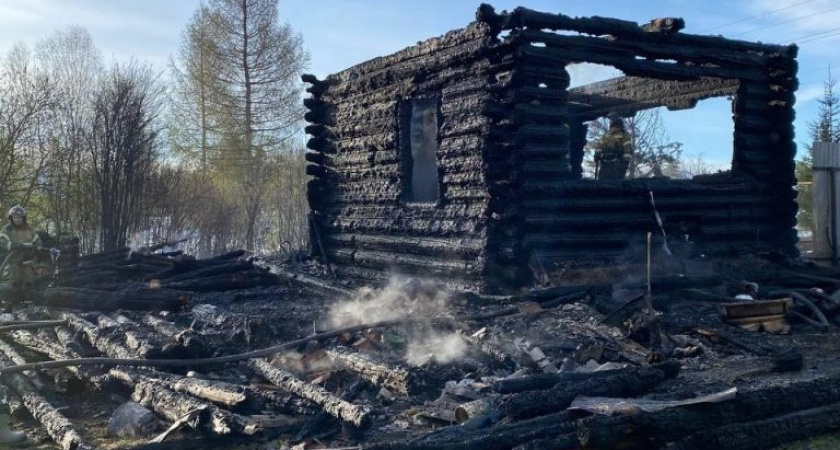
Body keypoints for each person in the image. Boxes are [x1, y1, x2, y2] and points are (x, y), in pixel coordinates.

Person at [0, 205, 42, 299]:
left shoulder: (29, 229)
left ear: (23, 218)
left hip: (28, 265)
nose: (17, 220)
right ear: (11, 218)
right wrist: (13, 245)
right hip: (14, 265)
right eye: (15, 217)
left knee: (29, 287)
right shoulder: (7, 229)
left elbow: (38, 241)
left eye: (19, 217)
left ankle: (27, 310)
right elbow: (2, 242)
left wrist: (37, 247)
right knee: (13, 288)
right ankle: (12, 308)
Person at [594, 114, 634, 180]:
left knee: (615, 184)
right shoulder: (606, 134)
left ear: (616, 121)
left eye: (611, 120)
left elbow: (627, 149)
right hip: (605, 163)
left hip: (617, 163)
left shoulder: (624, 134)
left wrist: (625, 163)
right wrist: (597, 154)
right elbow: (599, 145)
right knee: (602, 183)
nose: (610, 122)